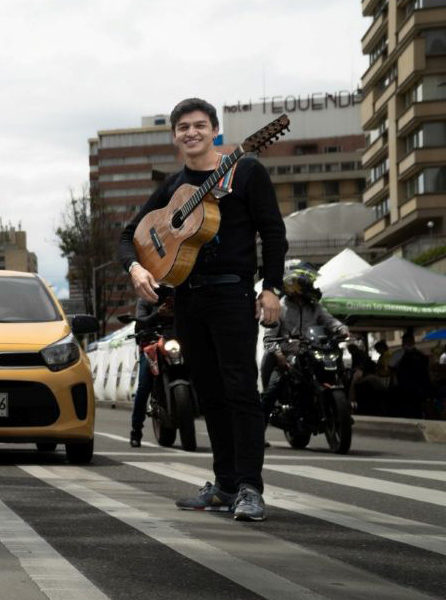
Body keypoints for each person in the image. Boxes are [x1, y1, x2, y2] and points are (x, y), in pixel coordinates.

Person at [120, 98, 286, 522]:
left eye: (199, 125)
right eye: (183, 128)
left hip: (232, 295)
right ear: (174, 136)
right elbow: (128, 236)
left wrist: (271, 288)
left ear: (215, 130)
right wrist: (137, 267)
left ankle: (250, 487)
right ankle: (225, 483)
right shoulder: (174, 186)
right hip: (188, 299)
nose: (191, 133)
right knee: (209, 393)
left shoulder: (246, 171)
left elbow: (272, 231)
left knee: (240, 390)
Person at [261, 264, 350, 421]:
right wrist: (278, 354)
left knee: (338, 372)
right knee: (271, 391)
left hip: (311, 351)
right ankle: (258, 431)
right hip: (288, 356)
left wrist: (342, 329)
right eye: (306, 283)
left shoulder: (315, 307)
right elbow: (269, 337)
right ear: (293, 286)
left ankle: (341, 410)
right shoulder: (279, 307)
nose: (311, 286)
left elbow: (330, 321)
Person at [128, 296, 174, 447]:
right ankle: (136, 430)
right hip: (150, 346)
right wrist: (158, 314)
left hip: (172, 343)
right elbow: (140, 321)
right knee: (143, 387)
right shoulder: (145, 299)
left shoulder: (176, 295)